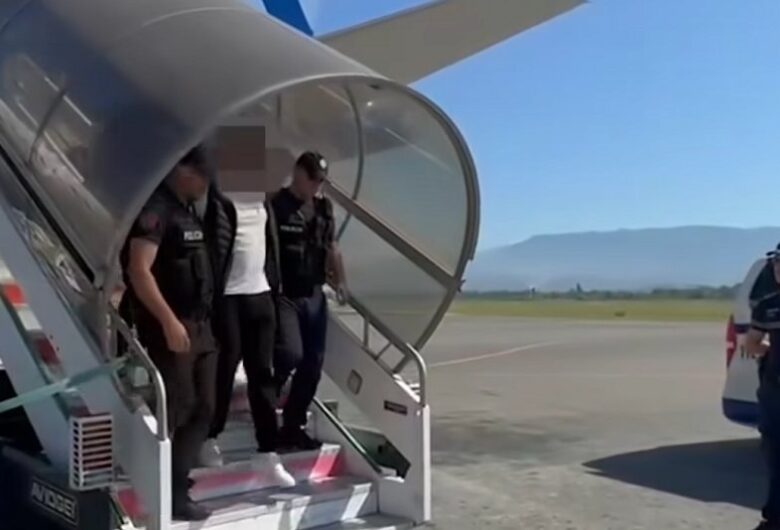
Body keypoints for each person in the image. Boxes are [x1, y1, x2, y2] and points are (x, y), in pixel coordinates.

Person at [120, 145, 217, 521]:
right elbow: (139, 270)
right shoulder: (156, 209)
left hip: (200, 323)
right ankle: (170, 493)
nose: (207, 183)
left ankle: (179, 481)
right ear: (182, 170)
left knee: (206, 406)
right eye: (202, 175)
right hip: (172, 324)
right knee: (180, 405)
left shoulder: (188, 210)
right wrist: (167, 321)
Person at [198, 183, 296, 487]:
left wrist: (275, 286)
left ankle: (268, 452)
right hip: (228, 296)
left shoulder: (263, 200)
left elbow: (270, 244)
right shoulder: (216, 199)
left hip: (260, 294)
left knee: (262, 374)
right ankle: (209, 436)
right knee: (225, 368)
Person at [270, 151, 347, 451]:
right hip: (285, 294)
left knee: (313, 363)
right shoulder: (276, 205)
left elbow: (332, 247)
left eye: (320, 181)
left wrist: (341, 282)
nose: (316, 186)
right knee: (290, 354)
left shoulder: (324, 208)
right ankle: (265, 399)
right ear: (298, 173)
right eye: (312, 179)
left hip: (314, 294)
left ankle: (293, 426)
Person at [746, 244, 780, 530]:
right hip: (774, 391)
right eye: (777, 263)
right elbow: (752, 343)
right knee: (774, 453)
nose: (779, 269)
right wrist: (768, 350)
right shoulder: (768, 305)